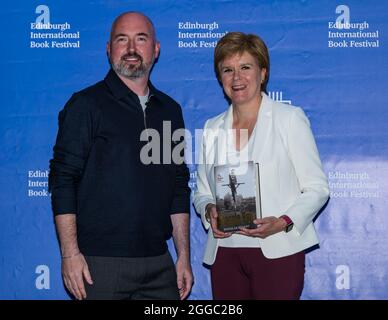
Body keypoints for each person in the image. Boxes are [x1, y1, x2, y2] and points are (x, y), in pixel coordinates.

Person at [49, 12, 193, 300]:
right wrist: (70, 255)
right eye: (121, 39)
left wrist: (183, 257)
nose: (131, 48)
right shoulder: (86, 105)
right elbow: (63, 180)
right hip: (98, 266)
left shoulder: (170, 110)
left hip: (159, 264)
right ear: (108, 49)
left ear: (156, 49)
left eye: (141, 39)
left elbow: (178, 187)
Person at [193, 32, 329, 300]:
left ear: (263, 73)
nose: (236, 78)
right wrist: (209, 209)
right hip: (226, 252)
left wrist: (282, 222)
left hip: (278, 248)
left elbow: (317, 188)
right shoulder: (211, 128)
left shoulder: (289, 119)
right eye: (227, 70)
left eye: (245, 67)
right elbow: (201, 192)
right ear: (220, 78)